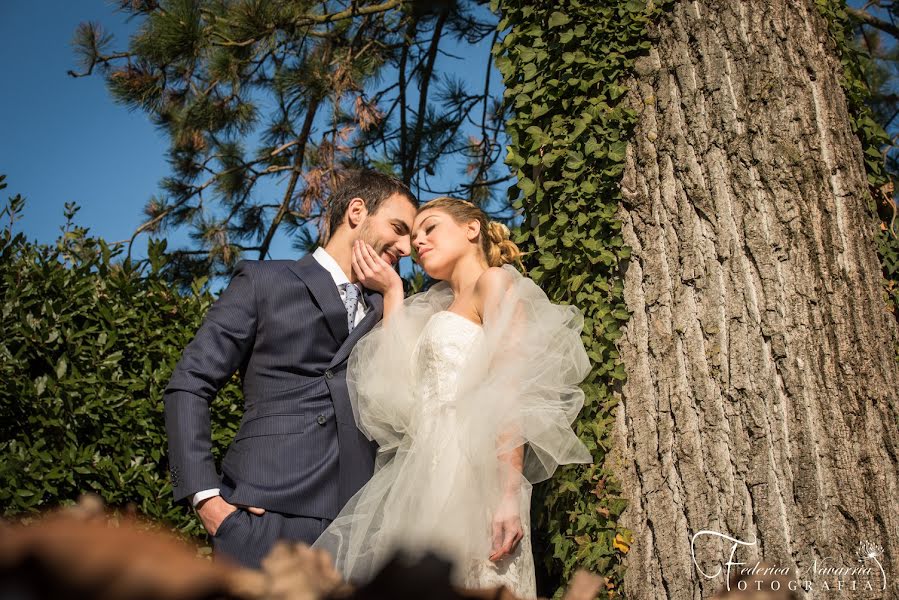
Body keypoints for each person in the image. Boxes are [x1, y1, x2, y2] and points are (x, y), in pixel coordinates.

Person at [313, 197, 593, 597]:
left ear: (471, 229)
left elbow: (510, 387)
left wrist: (508, 495)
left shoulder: (494, 282)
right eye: (413, 236)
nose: (418, 243)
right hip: (421, 472)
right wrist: (393, 291)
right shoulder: (433, 308)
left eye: (430, 228)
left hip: (475, 473)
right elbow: (392, 394)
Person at [164, 170, 418, 569]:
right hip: (261, 517)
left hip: (358, 525)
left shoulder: (391, 306)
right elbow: (190, 383)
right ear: (357, 211)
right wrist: (205, 498)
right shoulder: (264, 281)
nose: (407, 246)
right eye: (398, 228)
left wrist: (394, 296)